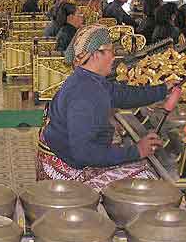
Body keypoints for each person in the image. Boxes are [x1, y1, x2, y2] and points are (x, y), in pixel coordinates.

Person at [36, 24, 177, 191]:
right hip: (65, 175)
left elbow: (122, 94)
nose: (114, 57)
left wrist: (162, 89)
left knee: (139, 166)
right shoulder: (85, 93)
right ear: (96, 54)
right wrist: (136, 151)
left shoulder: (88, 79)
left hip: (68, 158)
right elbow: (83, 153)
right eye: (111, 51)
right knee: (147, 177)